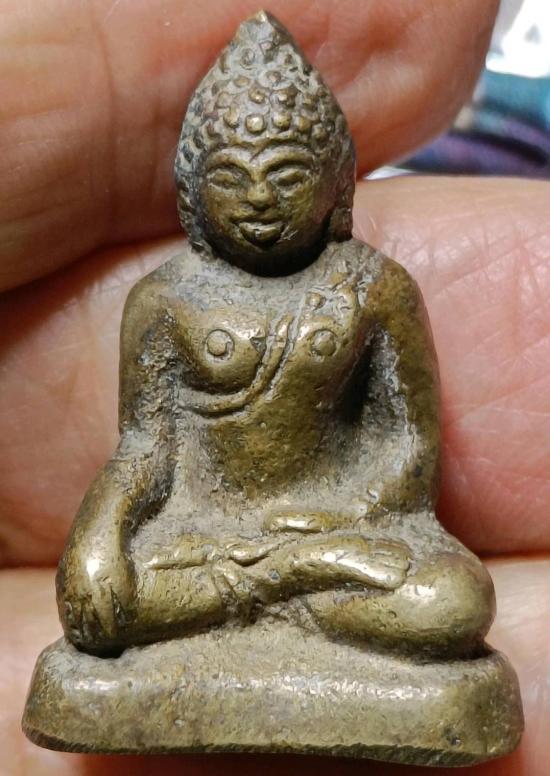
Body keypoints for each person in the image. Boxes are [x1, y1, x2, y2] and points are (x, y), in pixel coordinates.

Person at [1, 1, 547, 774]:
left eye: (287, 176)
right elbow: (146, 449)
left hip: (341, 529)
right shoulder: (165, 302)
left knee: (452, 603)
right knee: (97, 605)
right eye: (233, 179)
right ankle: (289, 582)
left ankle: (277, 585)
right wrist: (96, 539)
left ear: (335, 182)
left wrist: (345, 514)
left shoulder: (373, 289)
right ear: (194, 192)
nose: (259, 199)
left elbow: (409, 441)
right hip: (206, 540)